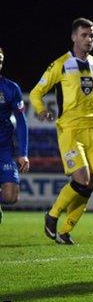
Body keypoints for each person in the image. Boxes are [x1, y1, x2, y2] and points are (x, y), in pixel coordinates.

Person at [31, 18, 93, 245]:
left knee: (90, 184)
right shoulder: (61, 64)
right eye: (84, 35)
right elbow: (36, 92)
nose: (89, 39)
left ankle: (65, 230)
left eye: (92, 35)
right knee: (81, 178)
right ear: (74, 37)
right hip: (69, 129)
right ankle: (52, 216)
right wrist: (41, 110)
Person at [0, 47, 30, 223]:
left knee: (11, 197)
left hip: (4, 148)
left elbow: (22, 122)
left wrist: (23, 153)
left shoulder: (11, 88)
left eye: (1, 59)